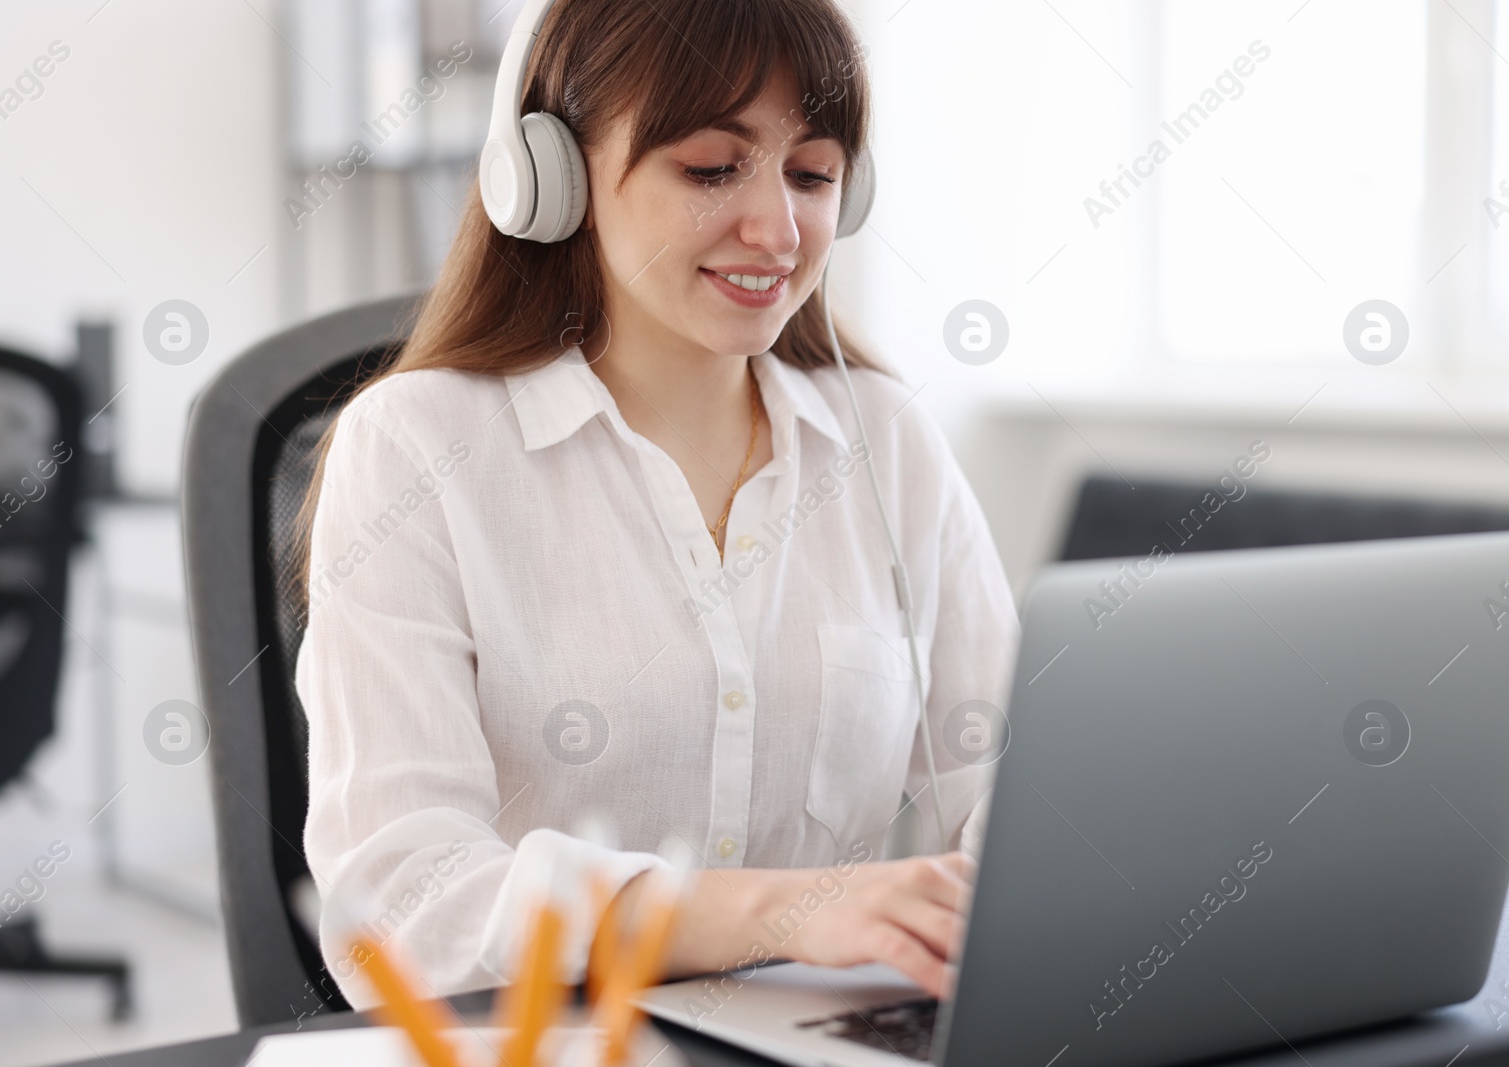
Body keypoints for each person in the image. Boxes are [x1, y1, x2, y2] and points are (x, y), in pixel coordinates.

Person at [295, 0, 1019, 1011]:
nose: (776, 228)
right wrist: (778, 909)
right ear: (548, 175)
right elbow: (403, 906)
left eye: (811, 174)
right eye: (711, 168)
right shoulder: (415, 448)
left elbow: (1013, 787)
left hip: (814, 1035)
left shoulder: (885, 441)